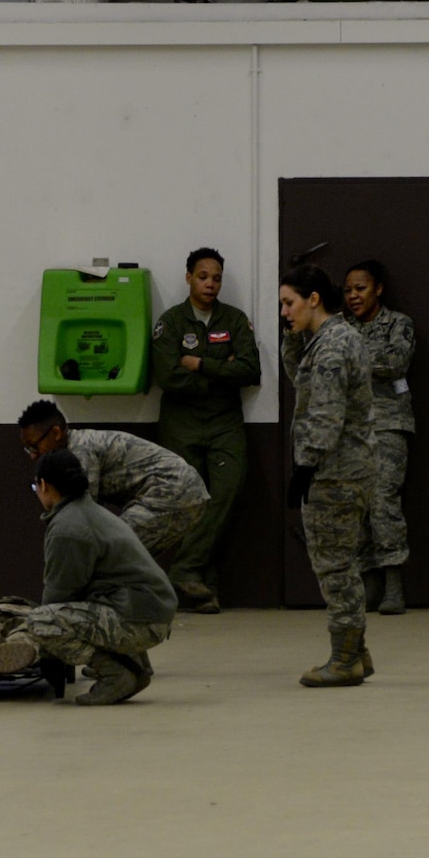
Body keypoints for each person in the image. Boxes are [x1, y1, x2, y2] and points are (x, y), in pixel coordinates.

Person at [0, 450, 177, 705]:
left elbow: (58, 597)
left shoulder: (69, 526)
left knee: (42, 622)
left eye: (35, 485)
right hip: (149, 612)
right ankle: (135, 668)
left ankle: (116, 674)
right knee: (76, 611)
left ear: (44, 485)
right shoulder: (89, 511)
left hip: (142, 619)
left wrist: (40, 649)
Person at [280, 262, 377, 687]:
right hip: (341, 469)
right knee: (341, 564)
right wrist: (291, 333)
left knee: (335, 568)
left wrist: (305, 466)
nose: (284, 311)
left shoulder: (334, 345)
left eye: (289, 303)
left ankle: (344, 660)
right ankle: (357, 652)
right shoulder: (324, 340)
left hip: (335, 472)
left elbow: (326, 412)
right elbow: (297, 379)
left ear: (313, 299)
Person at [151, 247, 262, 613]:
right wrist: (219, 371)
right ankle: (204, 587)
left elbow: (249, 372)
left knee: (227, 491)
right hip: (181, 423)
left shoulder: (234, 319)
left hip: (224, 423)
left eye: (216, 278)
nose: (210, 284)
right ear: (188, 277)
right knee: (194, 501)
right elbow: (168, 377)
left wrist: (198, 364)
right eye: (203, 276)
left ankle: (184, 568)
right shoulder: (171, 322)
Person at [16, 400, 209, 556]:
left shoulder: (80, 451)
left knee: (113, 550)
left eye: (34, 446)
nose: (33, 455)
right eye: (28, 449)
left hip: (174, 488)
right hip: (179, 491)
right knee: (125, 555)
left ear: (56, 433)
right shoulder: (73, 449)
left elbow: (82, 511)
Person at [342, 259, 415, 615]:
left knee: (384, 502)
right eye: (348, 290)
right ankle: (368, 581)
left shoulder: (398, 324)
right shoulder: (340, 327)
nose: (354, 296)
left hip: (388, 424)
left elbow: (397, 361)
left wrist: (351, 360)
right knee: (355, 504)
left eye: (361, 288)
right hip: (349, 428)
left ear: (378, 289)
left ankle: (393, 583)